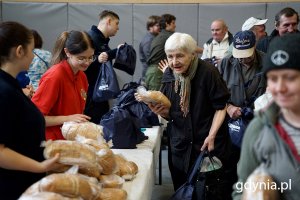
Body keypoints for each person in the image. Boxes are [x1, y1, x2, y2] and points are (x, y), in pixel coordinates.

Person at [140, 32, 234, 199]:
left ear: (192, 54)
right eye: (170, 56)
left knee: (208, 191)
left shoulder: (208, 72)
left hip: (207, 143)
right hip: (181, 146)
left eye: (179, 56)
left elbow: (221, 106)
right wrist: (163, 112)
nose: (174, 62)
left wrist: (212, 135)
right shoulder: (169, 74)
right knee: (182, 189)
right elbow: (172, 111)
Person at [232, 33, 300, 200]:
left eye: (290, 78)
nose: (280, 88)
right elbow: (241, 187)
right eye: (273, 78)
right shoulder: (259, 128)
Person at [0, 21, 59, 200]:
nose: (34, 57)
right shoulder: (3, 90)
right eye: (32, 51)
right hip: (12, 187)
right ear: (19, 51)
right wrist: (41, 166)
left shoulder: (12, 85)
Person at [31, 30, 94, 140]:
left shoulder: (82, 76)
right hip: (51, 143)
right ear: (67, 52)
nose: (87, 62)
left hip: (70, 140)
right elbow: (34, 118)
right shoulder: (54, 76)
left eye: (90, 57)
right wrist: (68, 118)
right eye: (81, 58)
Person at [84, 10, 123, 124]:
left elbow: (103, 57)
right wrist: (97, 59)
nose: (118, 28)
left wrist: (116, 52)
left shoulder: (101, 40)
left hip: (100, 91)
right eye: (116, 23)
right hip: (92, 93)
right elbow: (84, 61)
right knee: (94, 124)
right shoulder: (90, 38)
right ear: (109, 21)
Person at [145, 13, 176, 90]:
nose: (175, 25)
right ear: (167, 24)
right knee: (155, 99)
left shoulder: (159, 36)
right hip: (157, 71)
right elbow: (186, 45)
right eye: (173, 23)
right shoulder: (168, 36)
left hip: (153, 71)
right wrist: (204, 49)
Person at [139, 15, 161, 83]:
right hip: (150, 77)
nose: (159, 27)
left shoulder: (155, 38)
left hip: (152, 75)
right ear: (150, 27)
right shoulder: (148, 41)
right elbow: (150, 59)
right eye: (157, 26)